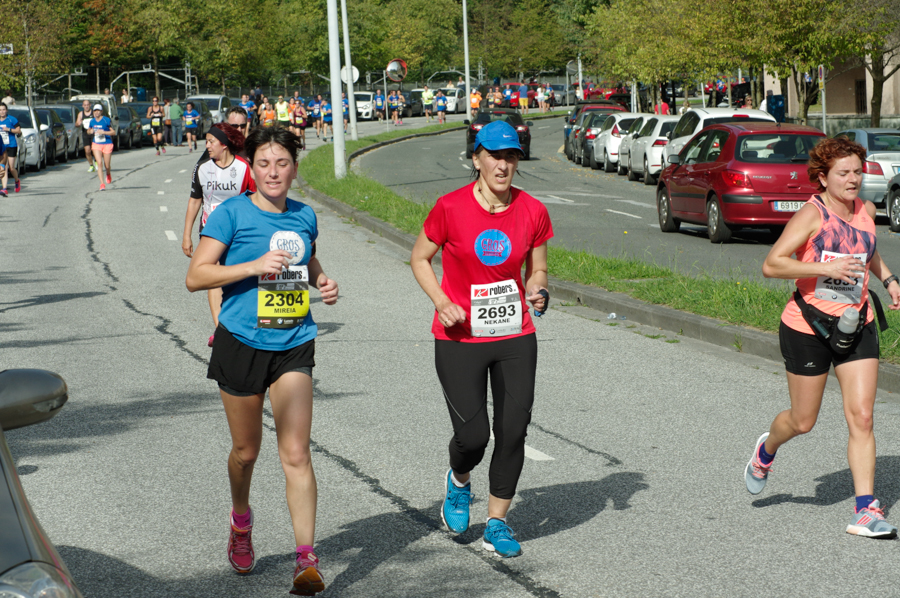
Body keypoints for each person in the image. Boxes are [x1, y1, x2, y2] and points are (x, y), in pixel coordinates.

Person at [185, 125, 338, 596]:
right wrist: (253, 267)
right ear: (252, 167)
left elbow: (307, 260)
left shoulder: (304, 215)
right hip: (241, 342)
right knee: (246, 452)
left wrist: (321, 280)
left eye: (282, 163)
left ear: (294, 168)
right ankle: (241, 521)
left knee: (296, 452)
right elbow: (196, 276)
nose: (274, 172)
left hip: (293, 340)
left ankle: (306, 558)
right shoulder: (232, 214)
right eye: (265, 163)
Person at [410, 121, 553, 559]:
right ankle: (458, 481)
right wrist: (441, 301)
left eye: (511, 157)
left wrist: (538, 289)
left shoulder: (533, 210)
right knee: (473, 437)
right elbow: (419, 258)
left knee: (513, 429)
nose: (503, 165)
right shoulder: (450, 207)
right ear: (476, 159)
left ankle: (496, 522)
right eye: (494, 156)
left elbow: (538, 269)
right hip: (459, 337)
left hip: (514, 334)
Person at [745, 136, 900, 539]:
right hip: (807, 327)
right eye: (843, 173)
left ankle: (866, 510)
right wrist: (824, 269)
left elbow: (867, 249)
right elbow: (772, 264)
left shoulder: (865, 209)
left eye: (857, 172)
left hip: (857, 321)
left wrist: (888, 279)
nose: (853, 180)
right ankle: (766, 451)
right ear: (822, 177)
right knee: (803, 420)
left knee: (862, 416)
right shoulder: (811, 216)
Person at [182, 122, 256, 346]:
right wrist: (186, 235)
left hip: (239, 230)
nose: (207, 146)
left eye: (211, 141)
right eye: (206, 141)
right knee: (213, 277)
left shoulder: (244, 168)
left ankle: (242, 322)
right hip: (211, 230)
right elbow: (195, 200)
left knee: (238, 277)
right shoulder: (202, 168)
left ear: (224, 144)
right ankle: (220, 329)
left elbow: (256, 200)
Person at [88, 104, 115, 190]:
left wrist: (104, 132)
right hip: (96, 144)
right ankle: (102, 184)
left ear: (101, 111)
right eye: (95, 111)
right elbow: (88, 130)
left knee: (107, 165)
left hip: (107, 143)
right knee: (99, 163)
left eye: (98, 111)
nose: (96, 112)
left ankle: (108, 173)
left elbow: (113, 132)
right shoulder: (92, 121)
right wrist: (90, 131)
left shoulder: (106, 120)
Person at [0, 102, 22, 195]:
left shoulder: (12, 119)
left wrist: (9, 129)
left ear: (7, 110)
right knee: (3, 167)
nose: (2, 112)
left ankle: (17, 181)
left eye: (3, 110)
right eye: (0, 110)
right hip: (2, 147)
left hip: (11, 145)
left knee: (11, 168)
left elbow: (19, 131)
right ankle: (4, 188)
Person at [75, 99, 96, 173]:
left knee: (95, 149)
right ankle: (91, 165)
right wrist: (79, 123)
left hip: (94, 133)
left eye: (88, 105)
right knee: (87, 151)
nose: (86, 106)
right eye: (85, 105)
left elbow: (99, 121)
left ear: (90, 105)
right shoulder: (81, 114)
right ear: (82, 106)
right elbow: (76, 124)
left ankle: (96, 161)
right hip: (85, 133)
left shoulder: (94, 113)